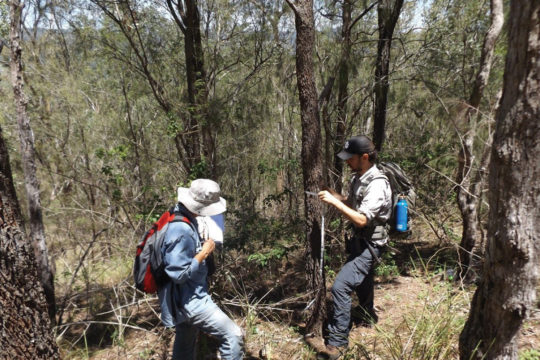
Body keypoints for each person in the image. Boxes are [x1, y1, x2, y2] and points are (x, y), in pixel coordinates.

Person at [317, 135, 392, 358]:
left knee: (341, 286)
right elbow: (353, 204)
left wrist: (334, 203)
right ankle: (367, 315)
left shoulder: (378, 183)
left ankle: (338, 344)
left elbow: (361, 219)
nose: (347, 162)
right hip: (360, 241)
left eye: (351, 158)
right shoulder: (359, 178)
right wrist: (335, 195)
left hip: (372, 244)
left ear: (365, 157)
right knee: (364, 279)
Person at [158, 179, 244, 359]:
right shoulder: (181, 229)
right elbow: (178, 274)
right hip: (191, 301)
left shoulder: (179, 215)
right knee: (233, 335)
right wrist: (204, 253)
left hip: (182, 299)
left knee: (185, 346)